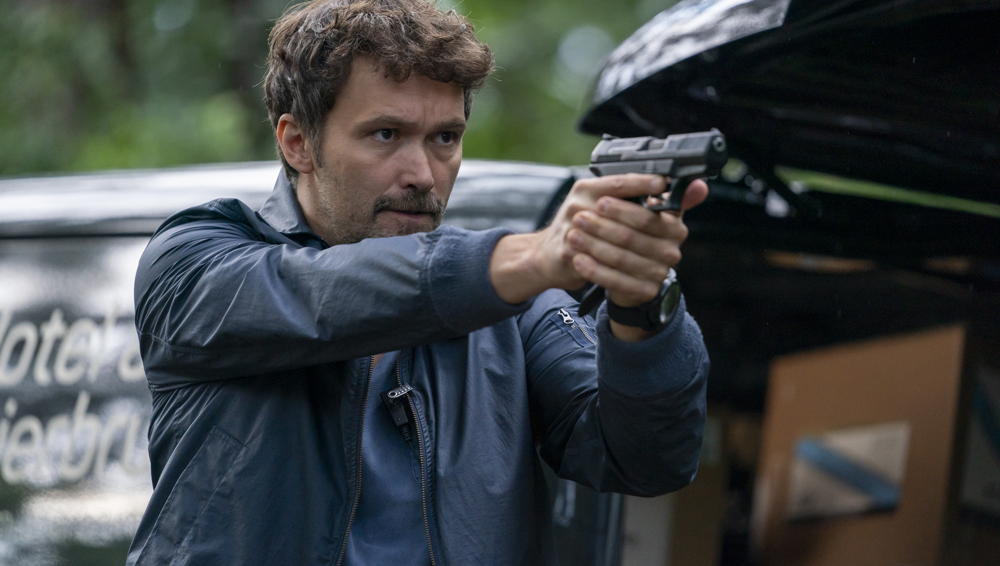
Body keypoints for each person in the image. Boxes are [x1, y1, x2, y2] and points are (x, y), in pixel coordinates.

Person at [126, 0, 710, 564]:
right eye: (386, 134)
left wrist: (639, 300)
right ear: (297, 142)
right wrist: (533, 257)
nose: (423, 175)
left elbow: (645, 458)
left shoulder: (514, 306)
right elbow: (322, 296)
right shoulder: (195, 258)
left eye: (445, 138)